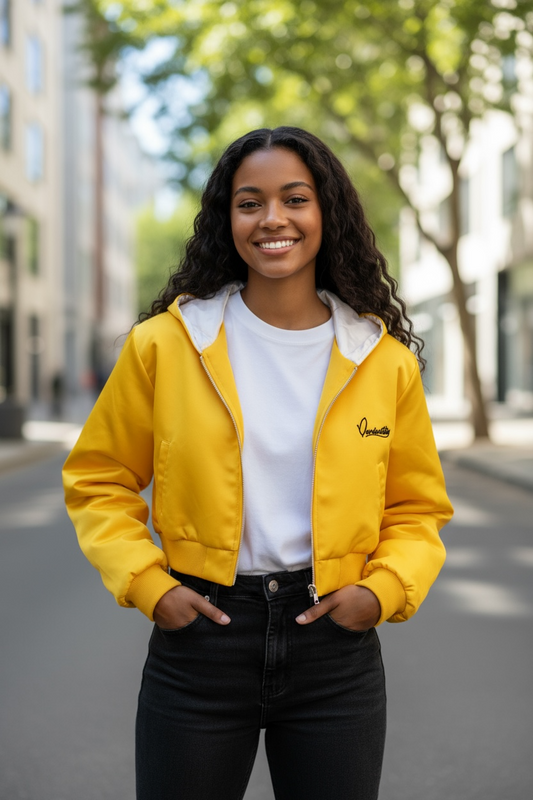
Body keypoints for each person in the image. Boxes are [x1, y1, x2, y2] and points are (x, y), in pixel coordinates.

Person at [63, 126, 453, 800]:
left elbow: (416, 508)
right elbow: (98, 479)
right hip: (200, 645)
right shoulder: (164, 345)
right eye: (249, 203)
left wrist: (381, 591)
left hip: (334, 647)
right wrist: (149, 584)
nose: (273, 219)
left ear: (325, 213)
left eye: (294, 199)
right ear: (226, 219)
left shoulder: (382, 359)